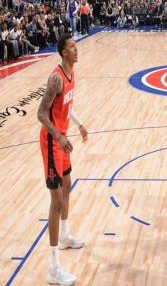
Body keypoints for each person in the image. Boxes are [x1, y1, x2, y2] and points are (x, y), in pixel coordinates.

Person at [37, 33, 88, 286]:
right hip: (51, 141)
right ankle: (53, 268)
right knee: (56, 201)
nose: (76, 50)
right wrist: (58, 136)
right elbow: (40, 113)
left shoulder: (71, 73)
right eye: (72, 47)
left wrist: (79, 124)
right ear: (63, 52)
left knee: (67, 186)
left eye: (76, 46)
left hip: (63, 138)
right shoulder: (56, 78)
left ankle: (66, 235)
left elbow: (67, 105)